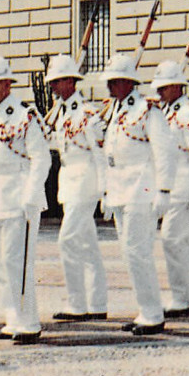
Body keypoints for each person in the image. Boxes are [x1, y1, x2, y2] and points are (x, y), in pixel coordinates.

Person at [0, 56, 49, 344]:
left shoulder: (25, 115)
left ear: (6, 84)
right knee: (1, 263)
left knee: (19, 262)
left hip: (19, 199)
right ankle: (13, 319)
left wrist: (30, 195)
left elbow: (41, 159)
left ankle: (29, 322)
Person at [101, 52, 176, 336]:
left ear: (127, 82)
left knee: (138, 252)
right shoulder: (117, 109)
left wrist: (164, 189)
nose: (108, 87)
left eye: (113, 81)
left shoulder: (148, 111)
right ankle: (146, 309)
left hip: (141, 190)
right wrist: (107, 192)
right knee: (129, 253)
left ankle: (153, 313)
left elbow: (164, 151)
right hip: (121, 192)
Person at [44, 53, 108, 322]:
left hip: (85, 182)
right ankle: (97, 303)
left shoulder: (88, 114)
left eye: (57, 82)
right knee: (87, 244)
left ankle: (77, 303)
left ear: (70, 81)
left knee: (68, 240)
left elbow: (100, 154)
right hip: (69, 182)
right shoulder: (61, 112)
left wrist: (106, 191)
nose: (54, 87)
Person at [151, 59, 189, 318]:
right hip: (171, 186)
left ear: (178, 87)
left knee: (171, 238)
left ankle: (180, 297)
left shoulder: (187, 115)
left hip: (184, 186)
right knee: (185, 243)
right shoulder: (164, 113)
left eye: (165, 87)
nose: (160, 92)